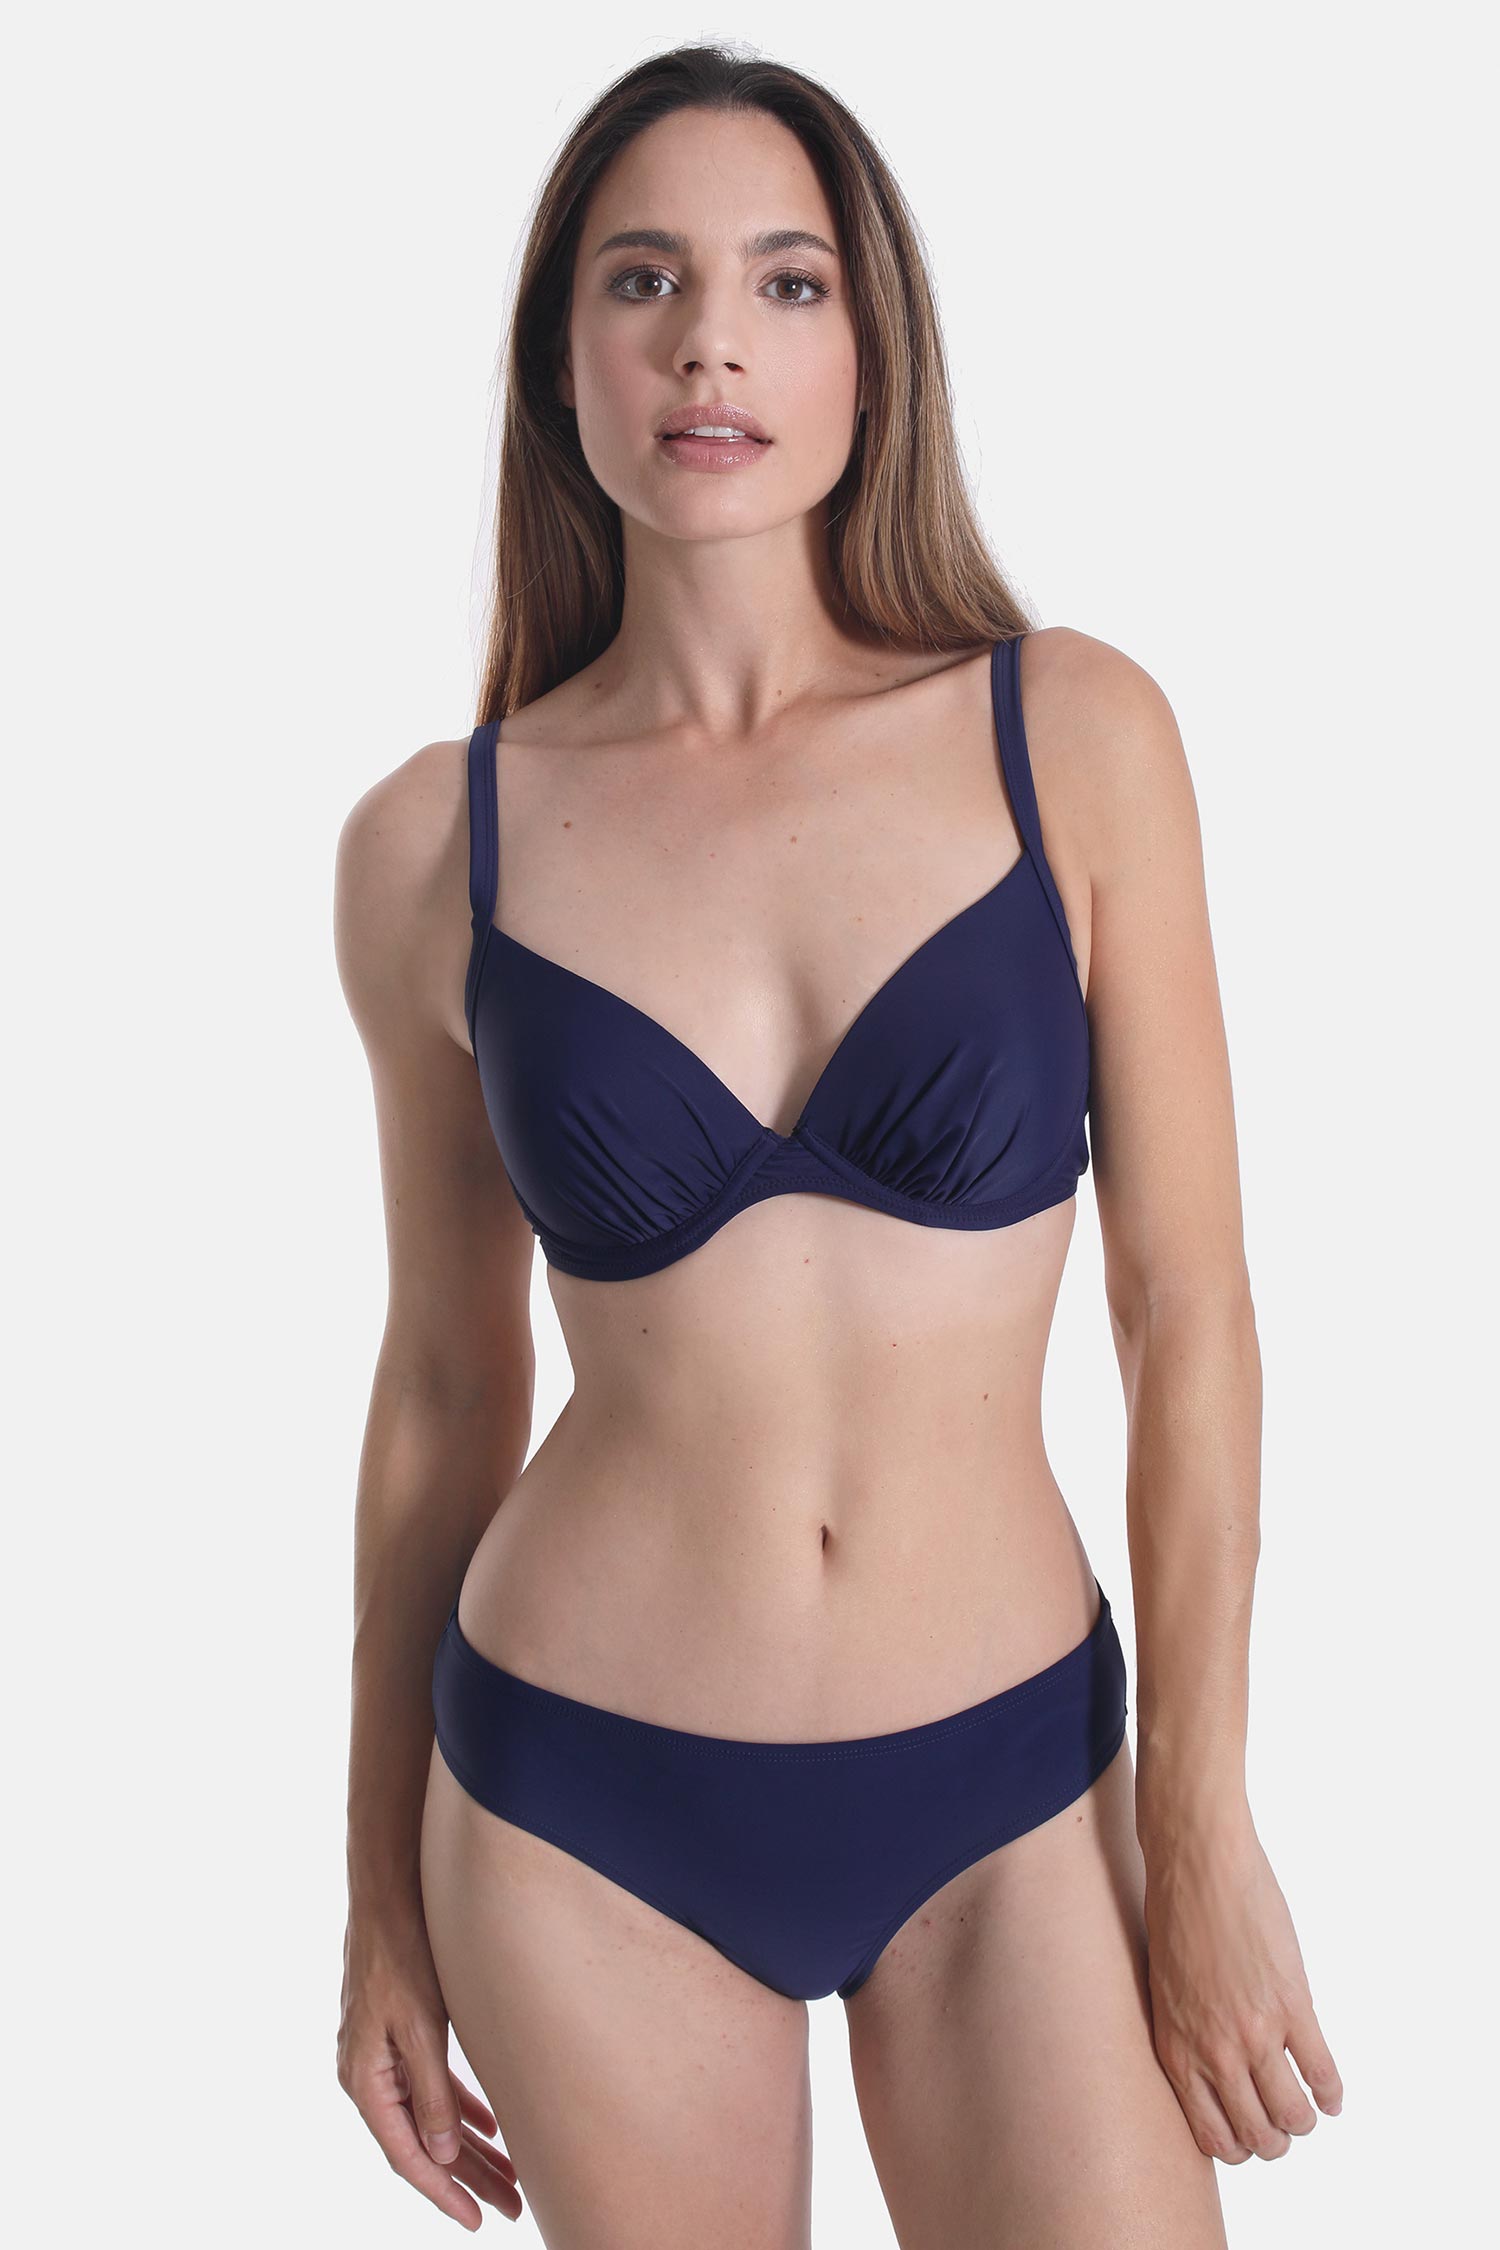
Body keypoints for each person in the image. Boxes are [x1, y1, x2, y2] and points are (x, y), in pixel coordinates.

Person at [333, 42, 1342, 2248]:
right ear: (561, 363)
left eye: (786, 284)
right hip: (578, 1806)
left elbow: (1189, 1310)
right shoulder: (433, 848)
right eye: (644, 281)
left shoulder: (1069, 734)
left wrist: (1199, 1819)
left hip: (1013, 1784)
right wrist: (374, 1900)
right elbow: (441, 1388)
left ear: (872, 359)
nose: (712, 341)